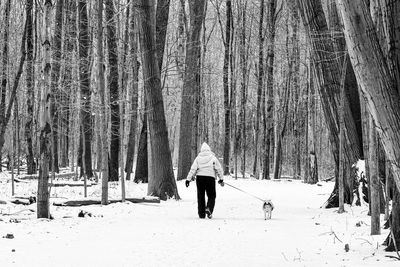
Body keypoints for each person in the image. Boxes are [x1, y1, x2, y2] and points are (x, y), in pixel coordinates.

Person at [185, 142, 224, 219]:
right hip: (210, 179)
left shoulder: (198, 158)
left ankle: (201, 214)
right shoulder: (213, 158)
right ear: (209, 150)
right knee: (212, 195)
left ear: (201, 150)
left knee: (200, 196)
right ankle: (209, 208)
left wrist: (188, 179)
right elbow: (219, 169)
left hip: (200, 179)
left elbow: (193, 169)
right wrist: (221, 179)